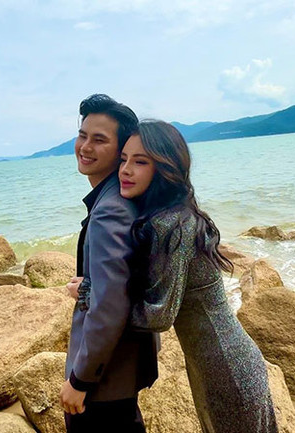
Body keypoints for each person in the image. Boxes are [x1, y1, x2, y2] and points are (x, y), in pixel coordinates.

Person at [117, 120, 278, 433]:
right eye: (123, 159)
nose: (125, 169)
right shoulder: (177, 215)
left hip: (226, 368)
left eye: (140, 162)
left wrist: (95, 295)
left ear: (165, 168)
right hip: (219, 363)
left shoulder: (172, 224)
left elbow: (158, 316)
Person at [60, 94, 159, 433]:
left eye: (99, 139)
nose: (85, 147)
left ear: (121, 151)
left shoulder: (110, 210)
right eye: (82, 135)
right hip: (120, 372)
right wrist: (89, 286)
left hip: (104, 382)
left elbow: (111, 305)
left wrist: (81, 379)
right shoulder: (121, 197)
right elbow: (121, 282)